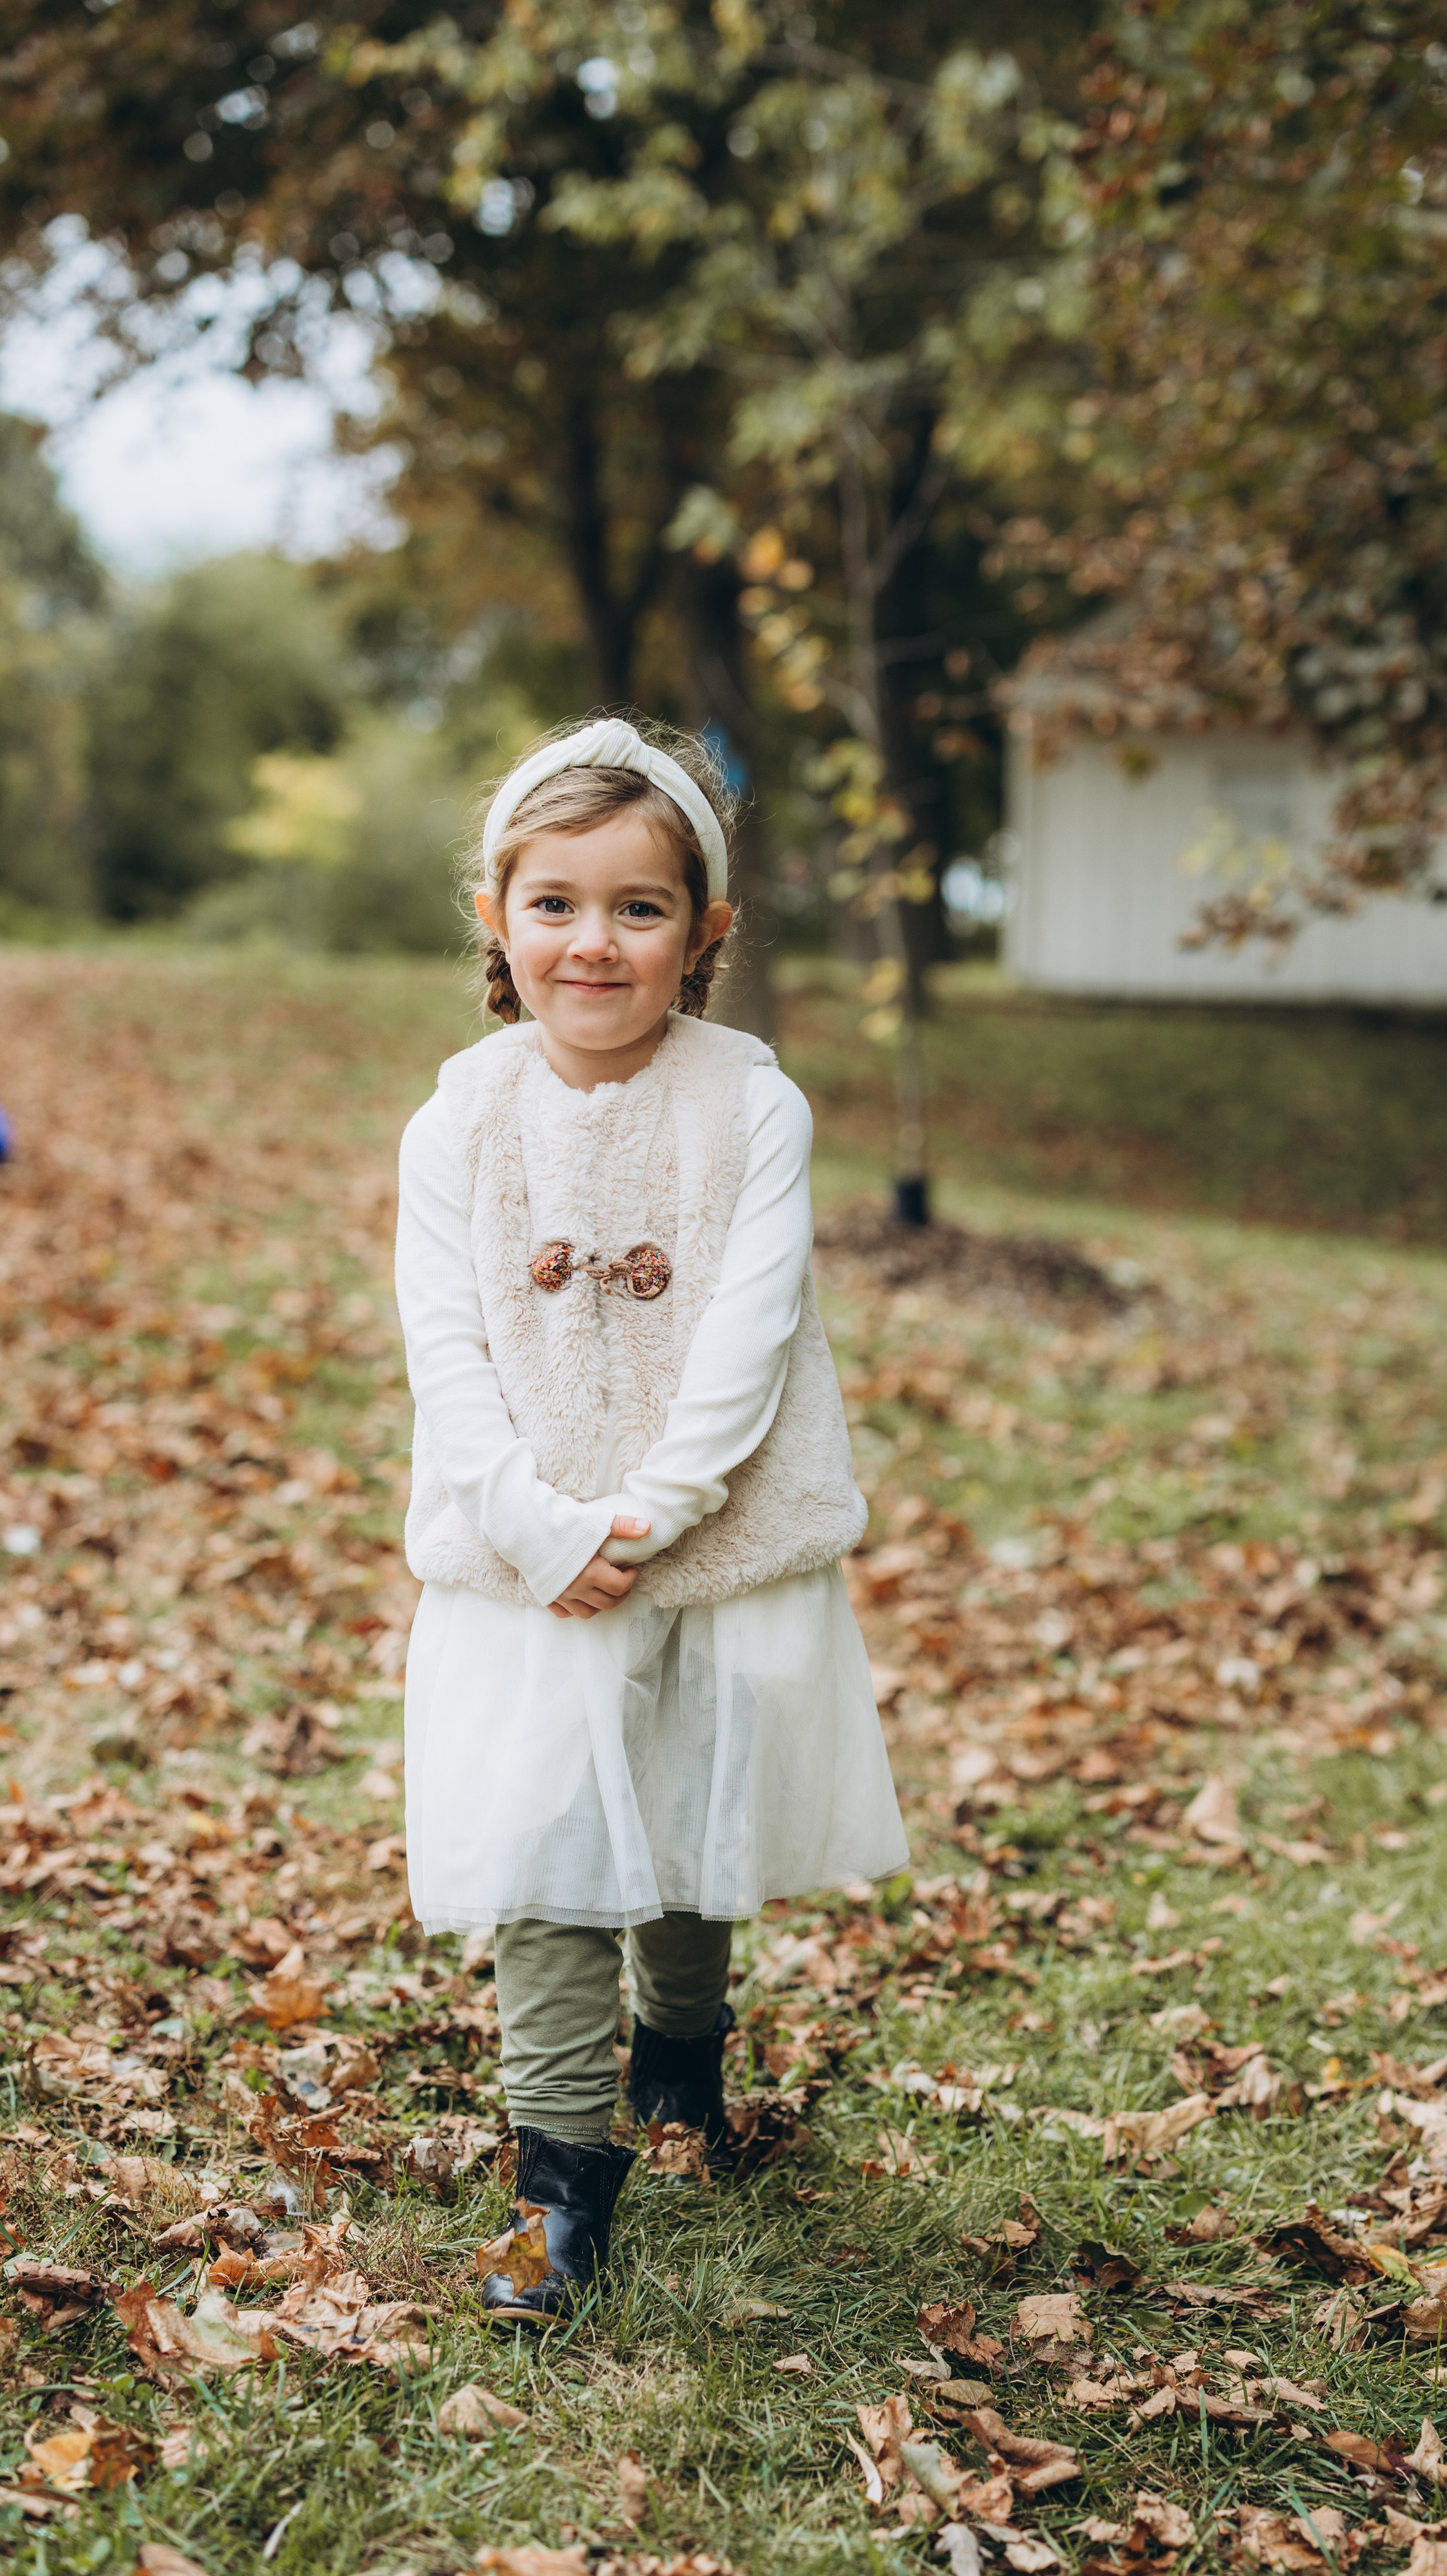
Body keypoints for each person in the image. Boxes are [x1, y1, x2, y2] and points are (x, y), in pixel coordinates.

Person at [395, 717, 907, 2323]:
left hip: (709, 1531)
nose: (593, 941)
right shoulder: (457, 1124)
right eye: (553, 903)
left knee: (687, 1823)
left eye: (637, 907)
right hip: (524, 1555)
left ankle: (681, 2054)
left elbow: (747, 1335)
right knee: (550, 1841)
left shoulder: (749, 1111)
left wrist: (654, 1514)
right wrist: (543, 1532)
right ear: (495, 915)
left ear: (705, 933)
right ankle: (560, 2176)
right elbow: (448, 1352)